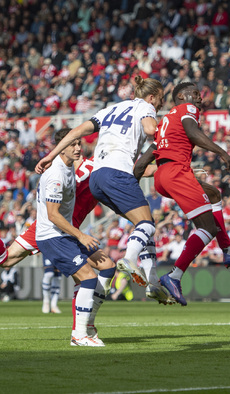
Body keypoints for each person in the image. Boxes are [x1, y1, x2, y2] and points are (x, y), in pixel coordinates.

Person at [36, 76, 164, 291]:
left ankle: (152, 282)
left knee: (144, 224)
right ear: (151, 97)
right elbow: (152, 129)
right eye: (160, 99)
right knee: (147, 224)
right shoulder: (146, 107)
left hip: (97, 178)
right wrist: (174, 134)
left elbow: (76, 132)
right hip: (117, 173)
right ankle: (131, 260)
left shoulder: (111, 109)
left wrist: (51, 155)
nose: (160, 105)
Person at [133, 82, 230, 306]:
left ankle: (228, 251)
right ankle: (174, 276)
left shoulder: (164, 124)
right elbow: (193, 132)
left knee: (214, 194)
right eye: (195, 95)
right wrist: (222, 152)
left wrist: (132, 186)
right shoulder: (187, 110)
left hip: (163, 176)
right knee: (207, 227)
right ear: (182, 96)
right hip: (177, 172)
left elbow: (142, 163)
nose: (199, 99)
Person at [11, 140, 173, 306]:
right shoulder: (108, 167)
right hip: (58, 228)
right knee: (7, 260)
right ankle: (84, 319)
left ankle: (84, 322)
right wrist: (175, 169)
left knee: (104, 268)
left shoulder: (91, 165)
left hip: (66, 228)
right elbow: (144, 170)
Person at [35, 128, 117, 347]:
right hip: (52, 235)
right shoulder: (56, 174)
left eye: (79, 143)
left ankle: (87, 325)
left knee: (108, 266)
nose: (78, 148)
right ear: (62, 147)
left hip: (64, 233)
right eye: (73, 144)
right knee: (88, 278)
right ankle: (78, 335)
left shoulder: (69, 168)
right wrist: (80, 235)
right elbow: (53, 215)